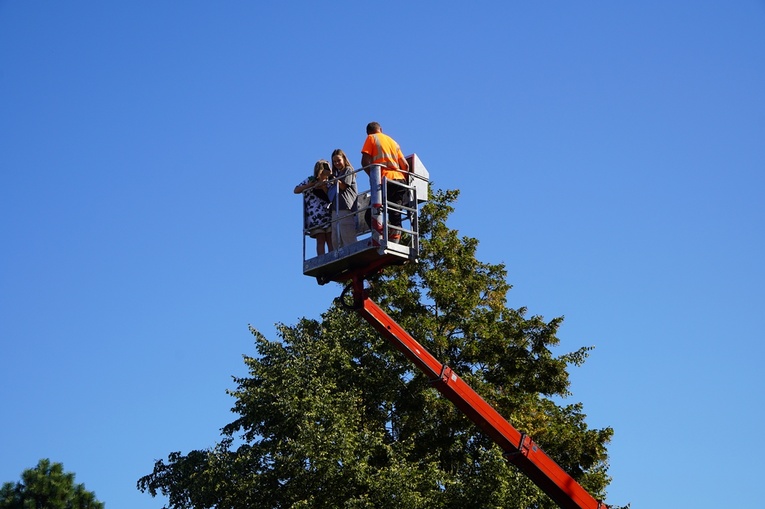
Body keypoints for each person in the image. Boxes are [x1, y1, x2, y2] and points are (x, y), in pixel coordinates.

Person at [360, 122, 410, 243]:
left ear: (368, 132)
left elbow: (364, 162)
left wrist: (374, 179)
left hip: (384, 180)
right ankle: (396, 242)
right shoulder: (393, 141)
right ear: (381, 129)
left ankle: (380, 237)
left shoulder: (371, 138)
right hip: (399, 180)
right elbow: (406, 166)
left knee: (371, 213)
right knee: (395, 213)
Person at [294, 159, 333, 255]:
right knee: (320, 239)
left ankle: (332, 256)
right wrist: (311, 185)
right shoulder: (310, 180)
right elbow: (296, 190)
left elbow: (331, 197)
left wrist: (323, 187)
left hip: (328, 214)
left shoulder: (330, 182)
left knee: (330, 239)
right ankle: (322, 259)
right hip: (315, 215)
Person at [328, 148, 358, 249]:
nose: (337, 163)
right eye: (334, 161)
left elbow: (343, 186)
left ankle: (352, 256)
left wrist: (334, 178)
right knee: (336, 240)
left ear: (344, 159)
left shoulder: (348, 170)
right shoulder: (337, 174)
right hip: (335, 209)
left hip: (345, 208)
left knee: (347, 237)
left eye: (338, 160)